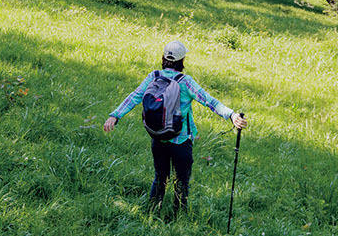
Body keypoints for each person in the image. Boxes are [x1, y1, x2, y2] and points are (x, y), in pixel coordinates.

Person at [103, 40, 248, 216]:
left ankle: (151, 213)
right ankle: (179, 216)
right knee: (182, 181)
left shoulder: (153, 76)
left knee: (160, 178)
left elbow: (134, 97)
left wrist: (115, 115)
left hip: (158, 137)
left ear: (164, 57)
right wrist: (232, 115)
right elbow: (209, 101)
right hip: (181, 141)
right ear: (182, 60)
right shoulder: (185, 82)